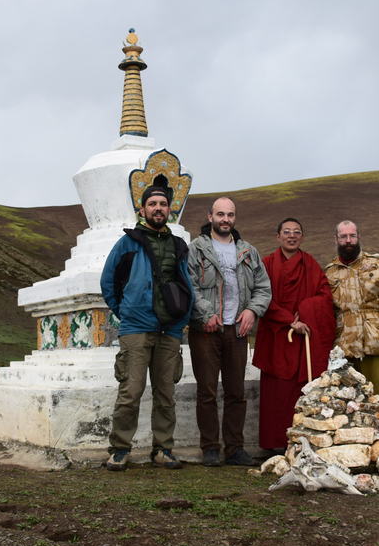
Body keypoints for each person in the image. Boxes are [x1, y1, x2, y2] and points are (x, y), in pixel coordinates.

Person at [99, 186, 194, 471]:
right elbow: (109, 283)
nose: (158, 208)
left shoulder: (178, 245)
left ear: (169, 210)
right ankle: (119, 448)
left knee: (166, 394)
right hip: (136, 328)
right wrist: (127, 311)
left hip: (170, 329)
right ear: (142, 210)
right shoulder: (128, 243)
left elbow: (186, 282)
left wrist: (182, 317)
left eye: (163, 204)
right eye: (152, 203)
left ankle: (163, 448)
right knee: (131, 390)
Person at [188, 197, 272, 466]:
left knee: (236, 391)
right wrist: (205, 313)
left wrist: (252, 311)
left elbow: (263, 287)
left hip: (237, 329)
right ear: (210, 216)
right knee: (208, 391)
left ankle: (234, 448)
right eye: (220, 214)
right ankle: (210, 447)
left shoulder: (248, 251)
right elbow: (188, 285)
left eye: (230, 215)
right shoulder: (197, 249)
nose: (225, 219)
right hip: (206, 329)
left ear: (235, 218)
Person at [253, 218, 336, 456]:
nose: (292, 236)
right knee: (275, 394)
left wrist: (308, 311)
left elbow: (324, 295)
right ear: (278, 236)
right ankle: (273, 444)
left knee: (298, 392)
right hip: (277, 336)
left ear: (302, 237)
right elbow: (261, 296)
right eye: (286, 232)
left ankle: (301, 443)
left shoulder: (310, 264)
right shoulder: (267, 264)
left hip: (302, 343)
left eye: (296, 232)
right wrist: (290, 320)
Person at [325, 220, 379, 436]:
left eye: (352, 236)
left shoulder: (377, 265)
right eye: (343, 237)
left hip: (375, 342)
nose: (348, 241)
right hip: (344, 347)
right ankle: (355, 447)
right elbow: (326, 311)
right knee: (347, 402)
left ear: (358, 237)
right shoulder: (330, 273)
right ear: (336, 240)